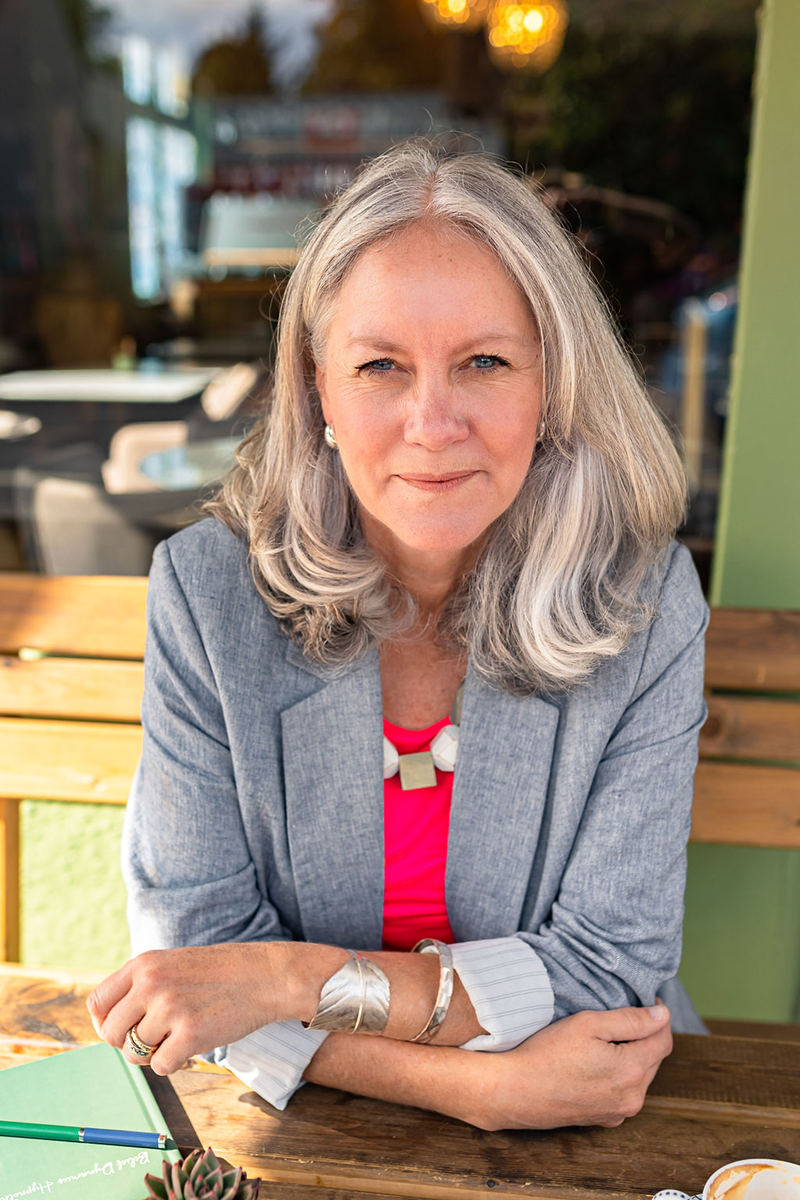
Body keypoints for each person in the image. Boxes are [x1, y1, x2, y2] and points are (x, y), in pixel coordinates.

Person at [87, 139, 707, 1132]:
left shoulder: (642, 602)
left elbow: (605, 973)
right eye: (379, 365)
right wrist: (477, 1089)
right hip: (318, 1130)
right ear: (317, 387)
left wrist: (289, 978)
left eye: (484, 362)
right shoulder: (208, 598)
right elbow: (201, 967)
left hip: (599, 1130)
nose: (432, 421)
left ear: (548, 383)